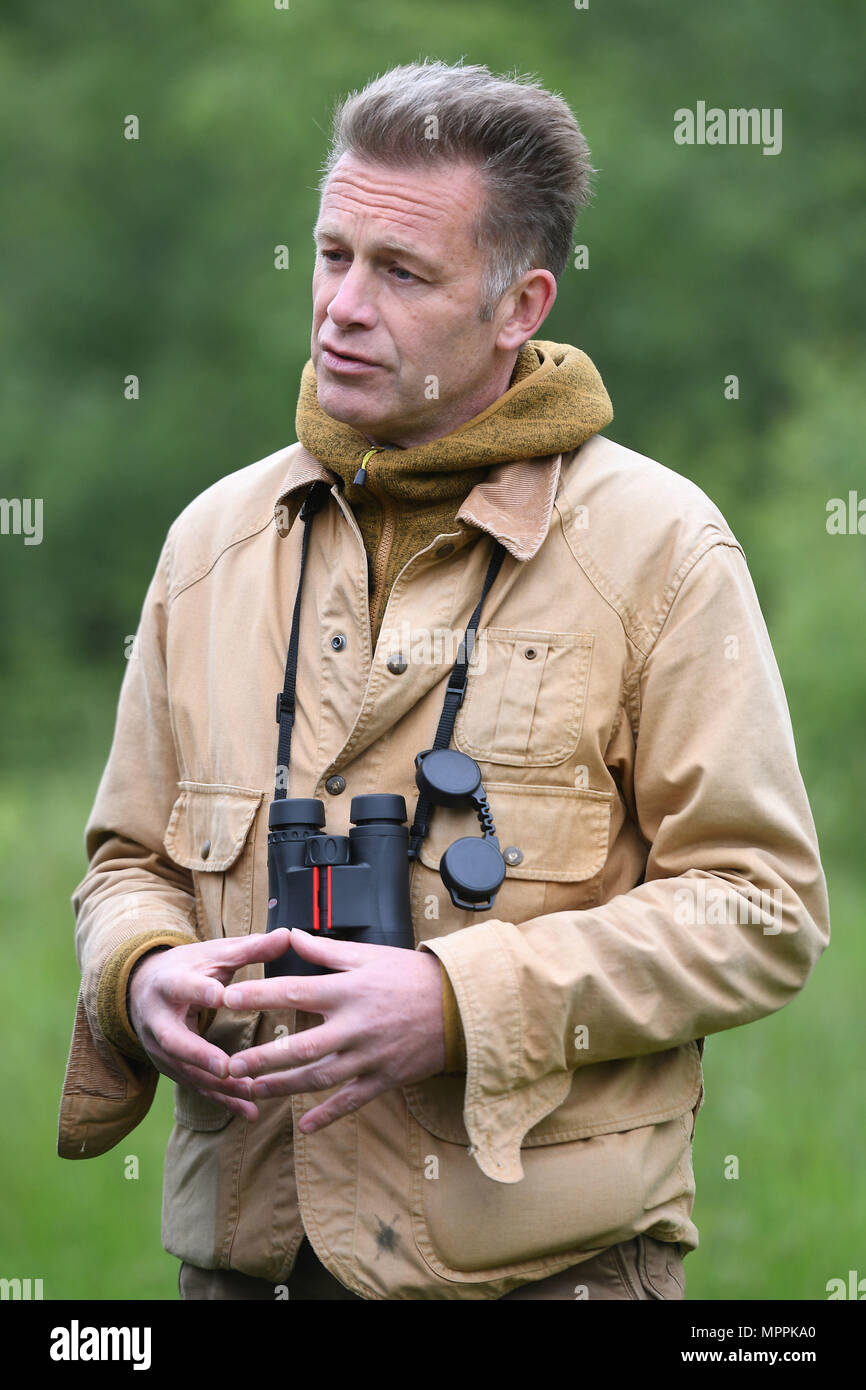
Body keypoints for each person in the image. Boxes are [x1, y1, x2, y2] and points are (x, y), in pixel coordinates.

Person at [57, 60, 830, 1301]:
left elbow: (760, 910)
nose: (339, 307)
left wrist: (460, 1001)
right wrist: (140, 971)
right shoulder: (211, 543)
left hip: (544, 1273)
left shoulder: (660, 547)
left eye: (399, 272)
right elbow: (123, 862)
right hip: (244, 1267)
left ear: (517, 303)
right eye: (330, 253)